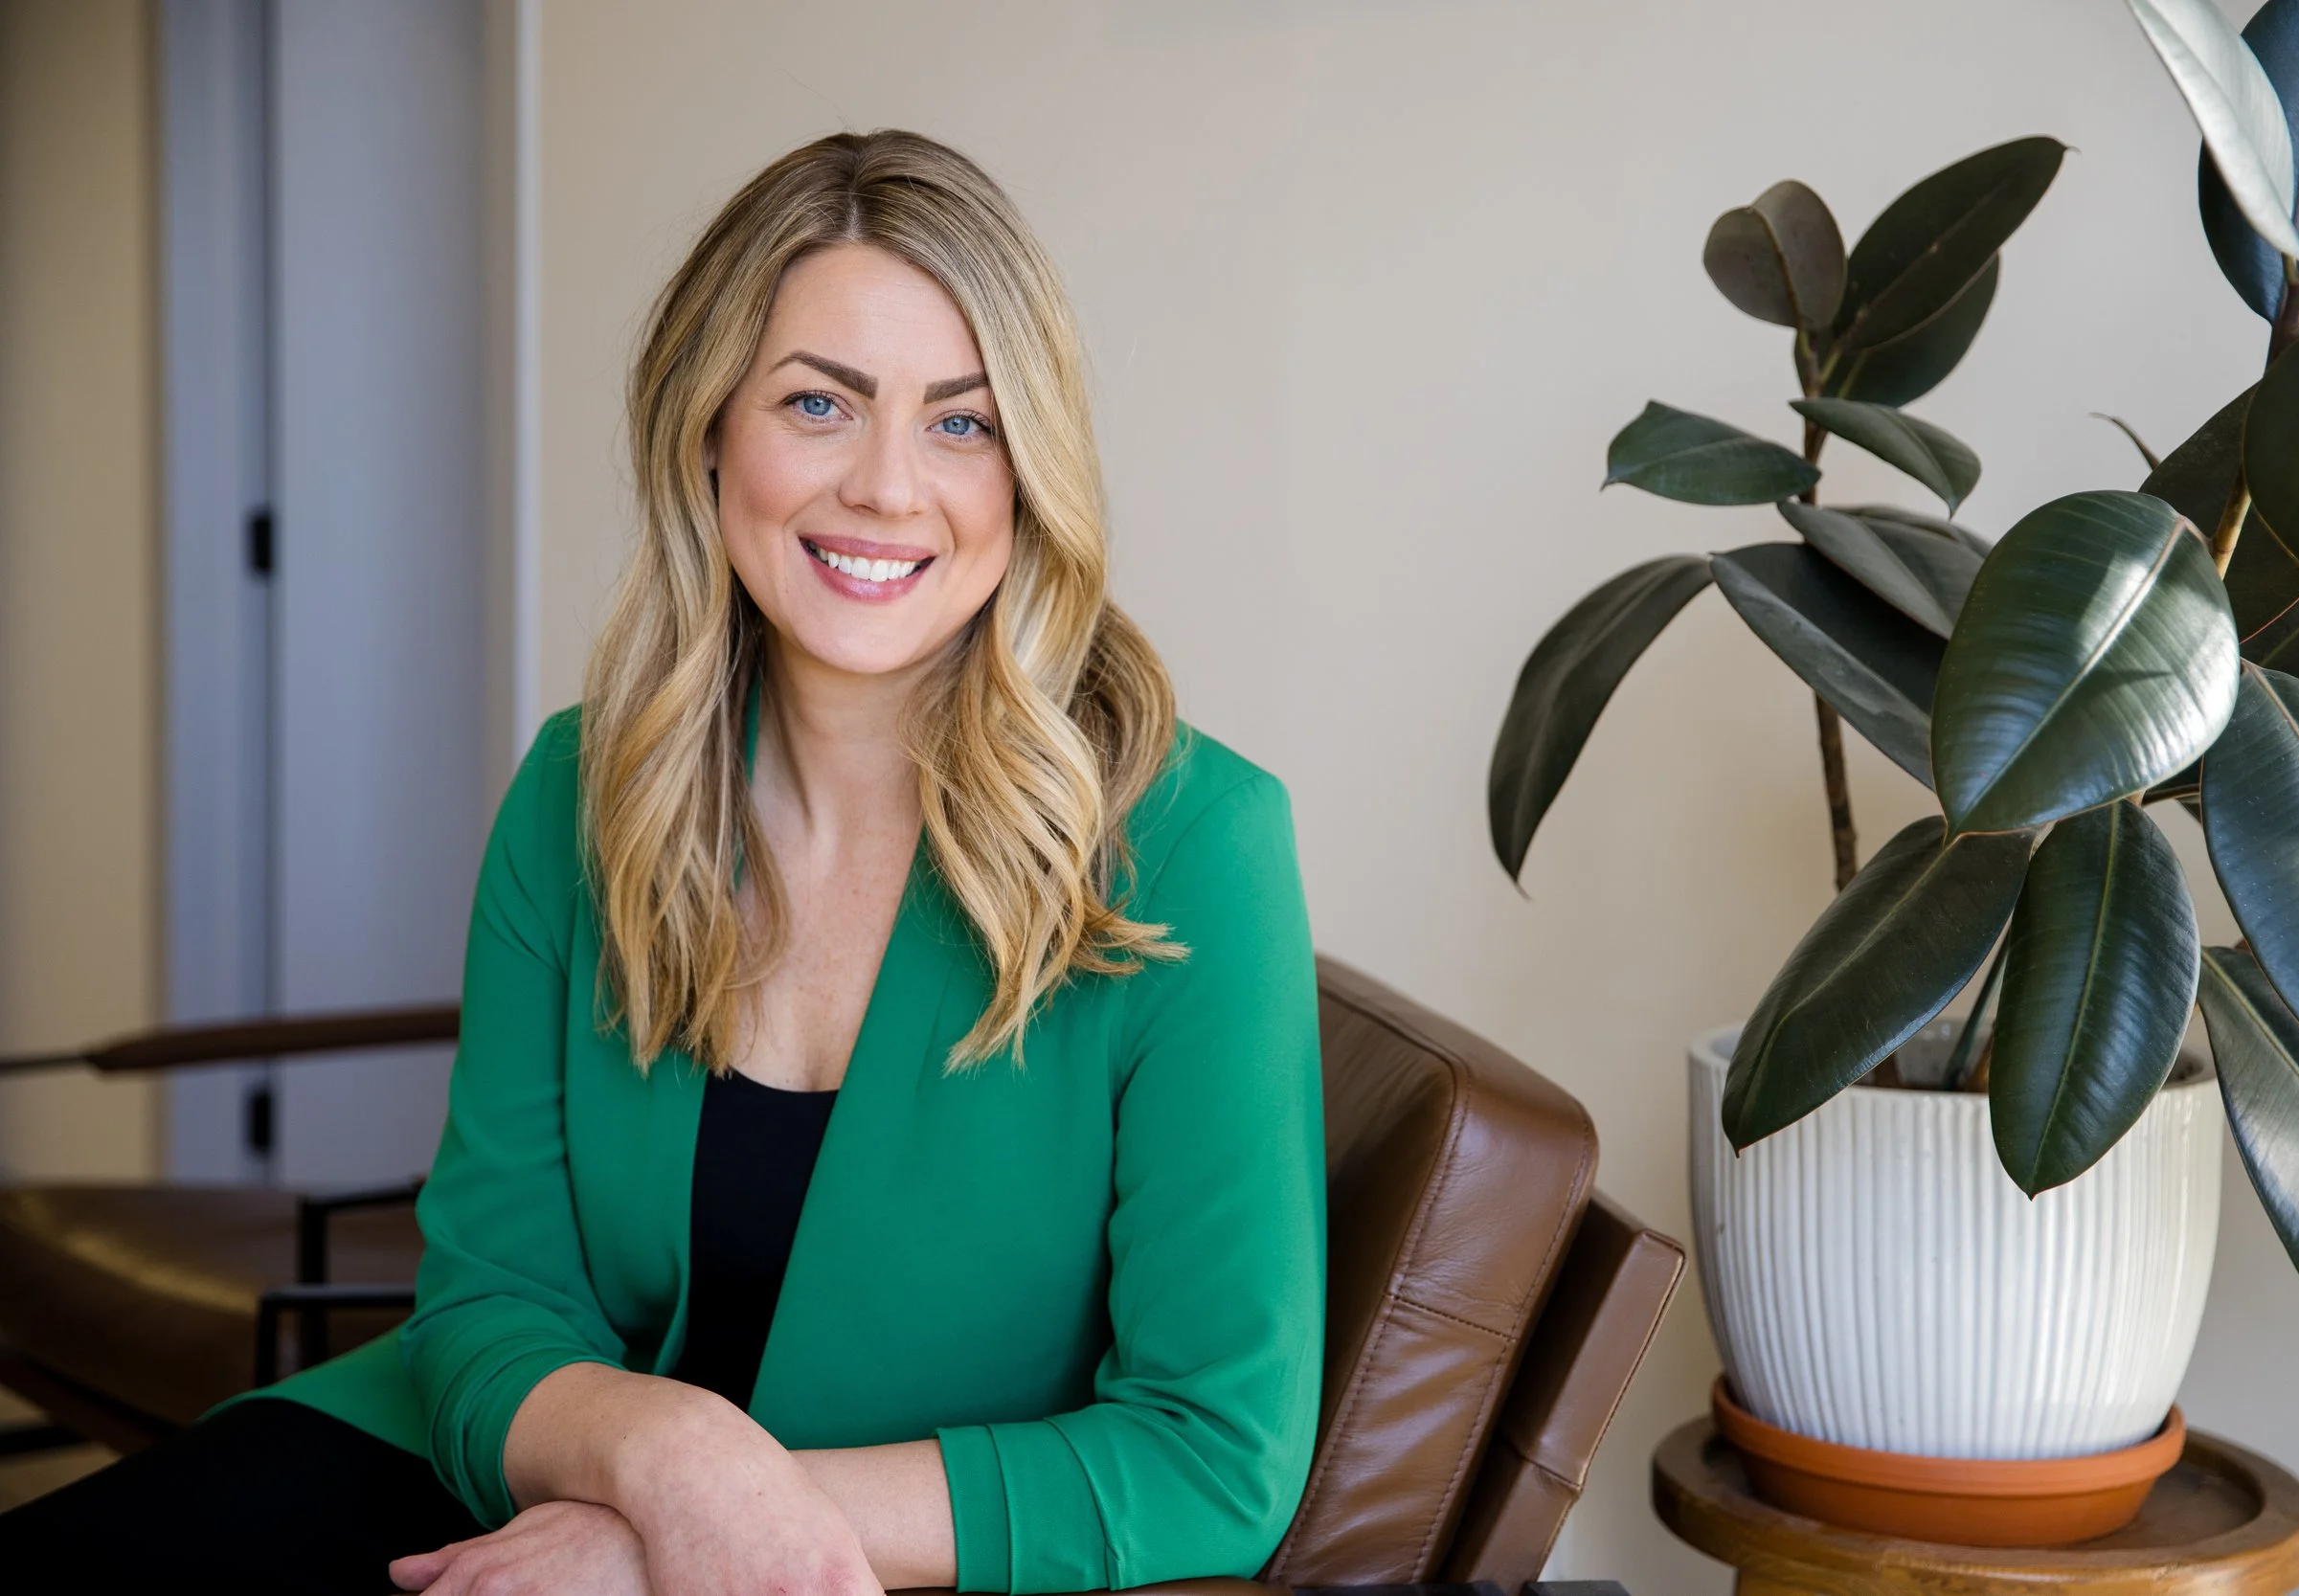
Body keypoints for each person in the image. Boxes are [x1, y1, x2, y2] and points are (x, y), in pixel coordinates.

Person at [0, 128, 1325, 1595]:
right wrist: (666, 1468)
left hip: (870, 1552)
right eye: (818, 403)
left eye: (962, 422)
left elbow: (1215, 1450)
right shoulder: (586, 788)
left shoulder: (1195, 847)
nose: (890, 487)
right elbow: (490, 1305)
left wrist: (700, 1532)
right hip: (491, 1460)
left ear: (1030, 470)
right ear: (708, 432)